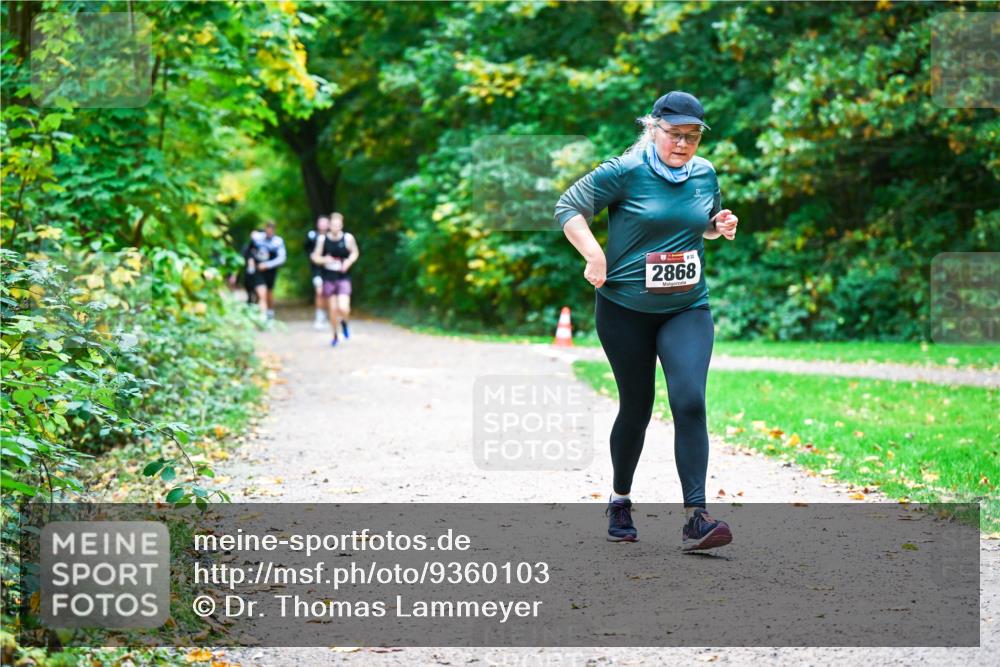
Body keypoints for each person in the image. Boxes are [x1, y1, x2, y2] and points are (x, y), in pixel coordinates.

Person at [555, 91, 740, 552]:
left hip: (686, 308)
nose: (683, 144)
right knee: (636, 406)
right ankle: (620, 499)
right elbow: (567, 209)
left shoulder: (704, 173)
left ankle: (697, 516)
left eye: (693, 136)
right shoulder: (624, 170)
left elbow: (697, 223)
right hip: (625, 310)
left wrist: (718, 225)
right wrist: (594, 254)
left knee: (690, 398)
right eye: (675, 134)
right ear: (653, 129)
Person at [310, 212, 359, 347]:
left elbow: (355, 252)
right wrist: (325, 260)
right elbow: (315, 257)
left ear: (341, 225)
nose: (335, 227)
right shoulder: (322, 239)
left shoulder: (348, 238)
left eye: (338, 224)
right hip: (328, 277)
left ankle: (344, 323)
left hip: (343, 277)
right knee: (333, 310)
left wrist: (348, 262)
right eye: (333, 224)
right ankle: (335, 335)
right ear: (329, 225)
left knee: (344, 308)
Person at [248, 222, 286, 321]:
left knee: (269, 293)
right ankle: (263, 316)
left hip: (270, 272)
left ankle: (270, 313)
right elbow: (250, 250)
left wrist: (268, 265)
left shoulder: (278, 242)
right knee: (262, 293)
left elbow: (282, 258)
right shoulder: (257, 238)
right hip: (259, 271)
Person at [306, 216, 331, 329]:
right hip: (317, 270)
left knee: (329, 294)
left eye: (325, 223)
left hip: (330, 270)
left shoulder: (332, 237)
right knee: (319, 291)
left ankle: (328, 315)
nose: (323, 225)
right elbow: (307, 250)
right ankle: (320, 317)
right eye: (321, 223)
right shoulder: (312, 235)